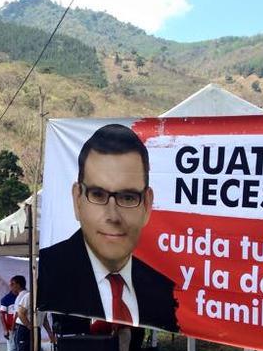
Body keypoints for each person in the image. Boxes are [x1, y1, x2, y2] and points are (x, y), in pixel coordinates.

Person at [38, 123, 178, 333]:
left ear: (147, 205)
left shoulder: (164, 290)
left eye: (128, 197)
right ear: (77, 200)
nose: (112, 216)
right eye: (97, 195)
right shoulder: (53, 272)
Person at [11, 275, 56, 351]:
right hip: (25, 330)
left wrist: (50, 333)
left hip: (36, 330)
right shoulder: (29, 297)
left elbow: (45, 318)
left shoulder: (44, 299)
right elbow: (20, 313)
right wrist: (29, 326)